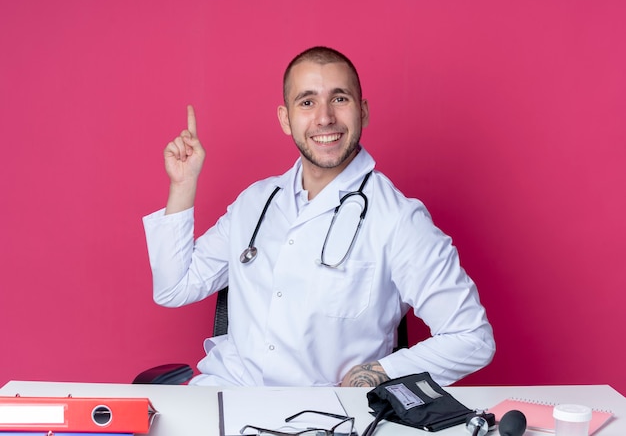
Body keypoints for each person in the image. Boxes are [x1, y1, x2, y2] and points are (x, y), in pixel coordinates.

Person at [143, 46, 495, 387]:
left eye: (339, 99)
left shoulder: (398, 219)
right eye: (307, 102)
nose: (324, 117)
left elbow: (471, 338)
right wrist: (183, 185)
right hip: (228, 395)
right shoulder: (256, 202)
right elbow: (174, 288)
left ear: (364, 111)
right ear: (286, 119)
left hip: (327, 417)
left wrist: (377, 374)